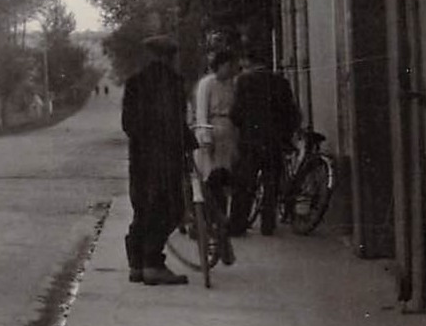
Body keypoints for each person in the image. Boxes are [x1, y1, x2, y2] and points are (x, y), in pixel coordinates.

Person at [121, 35, 190, 285]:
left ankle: (137, 264)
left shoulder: (134, 82)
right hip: (166, 159)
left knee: (142, 208)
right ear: (169, 56)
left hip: (139, 158)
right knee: (170, 209)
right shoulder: (173, 82)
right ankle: (153, 263)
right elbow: (177, 124)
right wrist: (188, 144)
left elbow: (128, 124)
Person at [230, 51, 301, 236]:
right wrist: (286, 134)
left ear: (250, 62)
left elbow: (235, 113)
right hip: (273, 141)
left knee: (245, 183)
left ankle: (238, 224)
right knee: (271, 182)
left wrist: (243, 126)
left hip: (250, 140)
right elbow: (291, 112)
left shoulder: (243, 82)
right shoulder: (281, 82)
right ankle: (268, 224)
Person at [192, 49, 241, 264]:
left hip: (228, 133)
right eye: (228, 65)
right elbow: (202, 112)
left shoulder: (233, 84)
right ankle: (209, 222)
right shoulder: (207, 84)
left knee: (225, 179)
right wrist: (205, 137)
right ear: (219, 65)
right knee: (210, 180)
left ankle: (220, 222)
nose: (231, 69)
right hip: (211, 131)